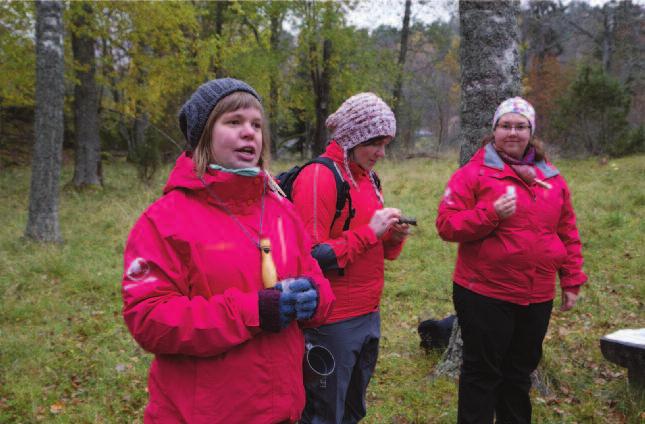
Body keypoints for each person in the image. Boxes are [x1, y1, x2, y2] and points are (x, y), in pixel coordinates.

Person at [121, 78, 335, 424]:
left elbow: (315, 278)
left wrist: (314, 297)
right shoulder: (164, 220)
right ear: (203, 135)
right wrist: (253, 311)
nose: (249, 132)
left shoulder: (281, 210)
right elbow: (148, 319)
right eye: (233, 122)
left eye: (256, 125)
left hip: (284, 409)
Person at [436, 97, 587, 424]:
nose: (513, 133)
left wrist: (571, 279)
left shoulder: (552, 179)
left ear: (531, 132)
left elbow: (567, 232)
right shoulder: (472, 174)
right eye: (505, 125)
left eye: (521, 126)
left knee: (519, 375)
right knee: (481, 373)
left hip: (537, 295)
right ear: (494, 130)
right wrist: (490, 214)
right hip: (484, 294)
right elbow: (447, 225)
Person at [290, 92, 409, 423]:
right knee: (324, 412)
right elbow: (311, 257)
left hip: (368, 313)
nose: (381, 152)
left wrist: (392, 239)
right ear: (352, 138)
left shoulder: (369, 178)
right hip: (331, 320)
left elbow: (376, 250)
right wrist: (371, 232)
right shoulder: (319, 177)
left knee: (352, 410)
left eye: (386, 143)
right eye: (375, 142)